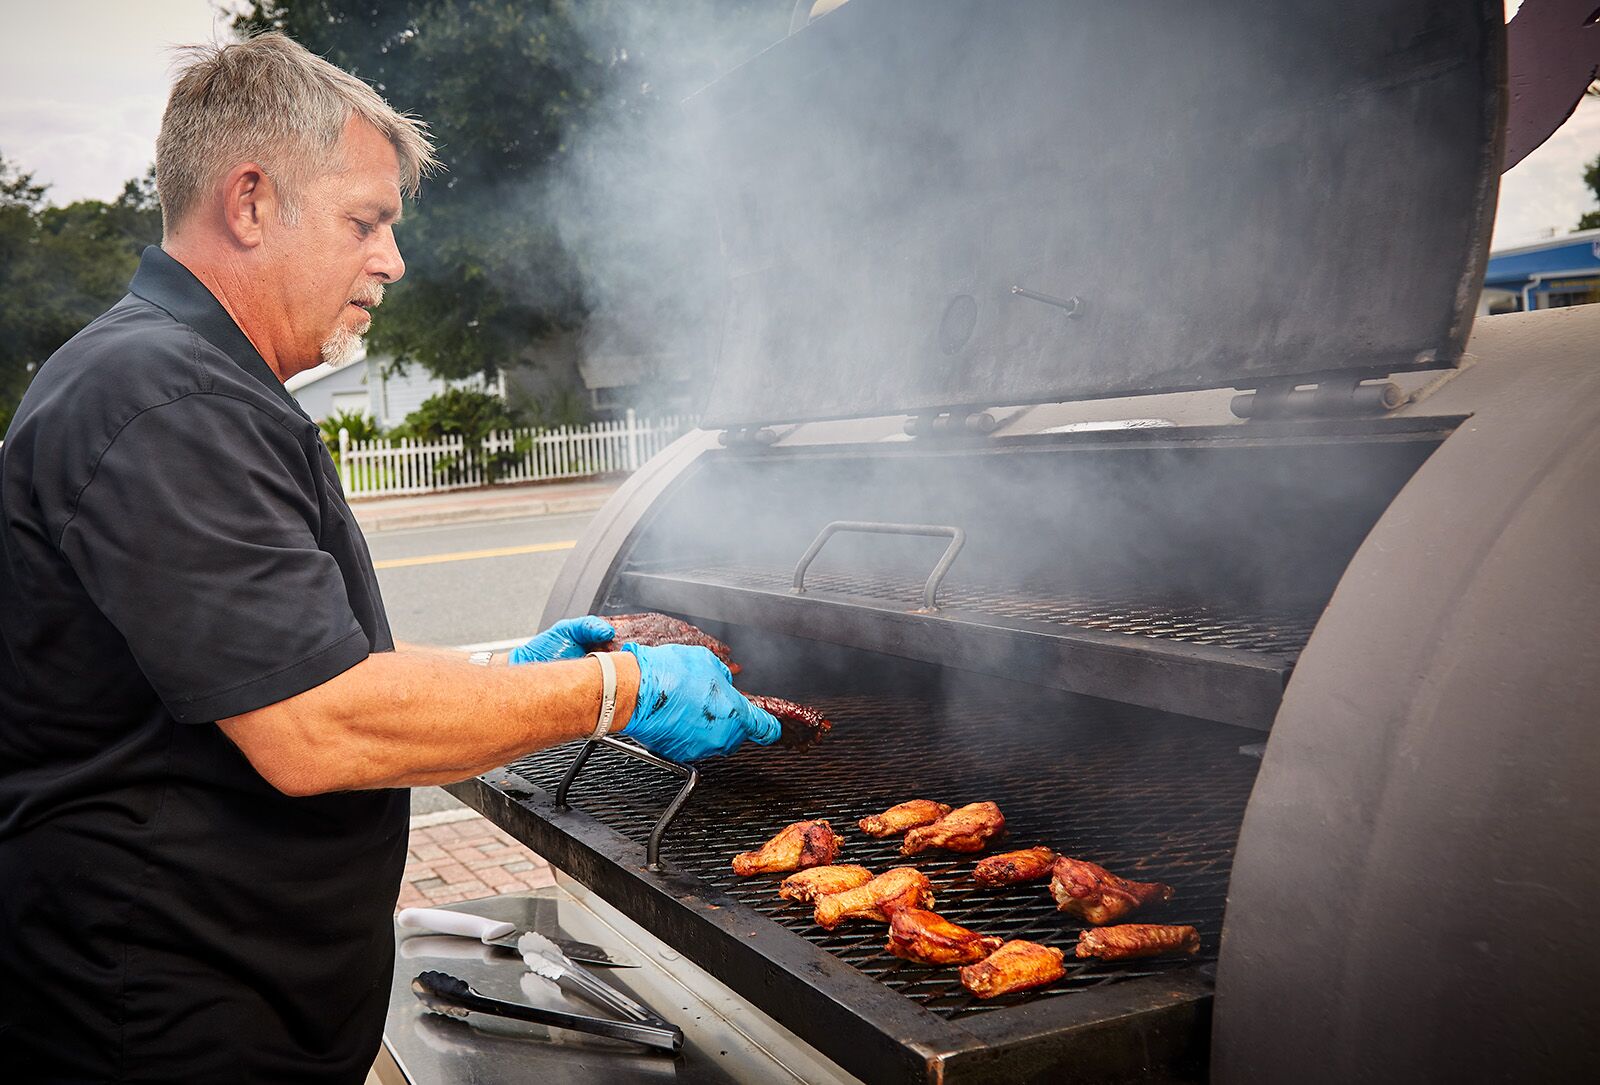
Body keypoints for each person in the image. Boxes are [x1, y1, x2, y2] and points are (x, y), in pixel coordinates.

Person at [0, 33, 779, 1082]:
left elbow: (297, 656)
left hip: (210, 987)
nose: (392, 260)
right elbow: (314, 724)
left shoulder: (185, 382)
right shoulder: (163, 398)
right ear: (250, 202)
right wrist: (612, 688)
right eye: (365, 221)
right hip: (161, 1012)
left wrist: (502, 678)